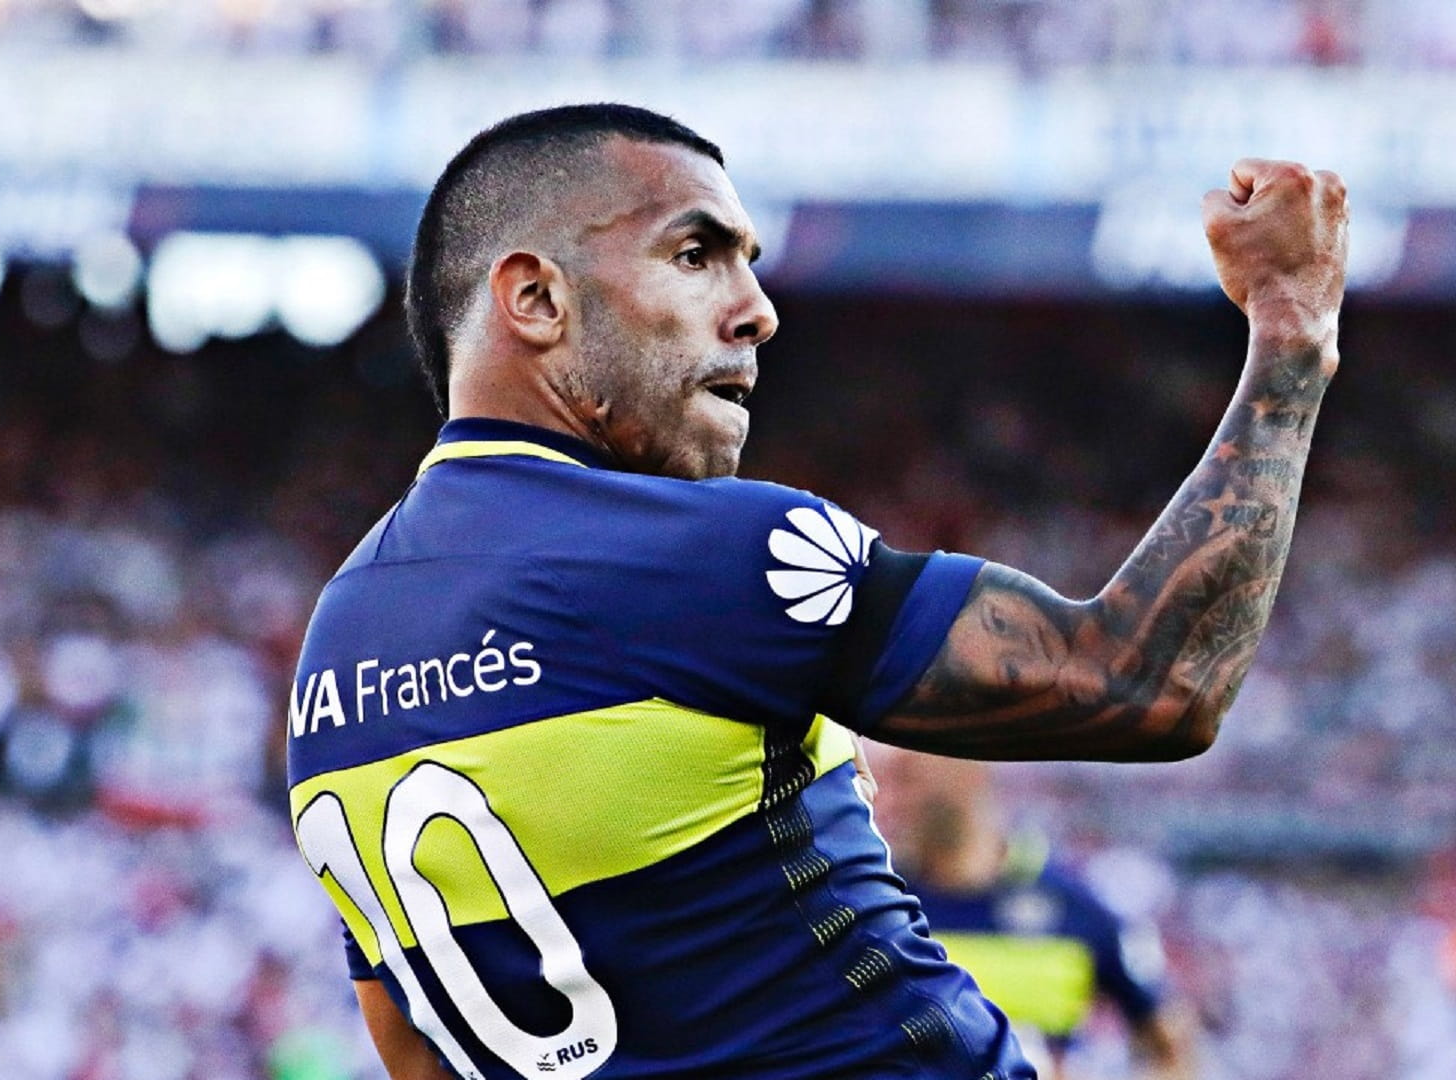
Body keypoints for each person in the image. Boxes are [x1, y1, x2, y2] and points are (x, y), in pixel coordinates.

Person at [284, 103, 1347, 1079]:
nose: (757, 312)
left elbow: (415, 1051)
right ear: (535, 298)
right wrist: (1290, 330)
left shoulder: (336, 651)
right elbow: (1150, 683)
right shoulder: (707, 553)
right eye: (695, 255)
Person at [869, 748, 1196, 1080]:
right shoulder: (877, 906)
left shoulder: (1075, 906)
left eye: (907, 778)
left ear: (969, 770)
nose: (887, 796)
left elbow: (1172, 1046)